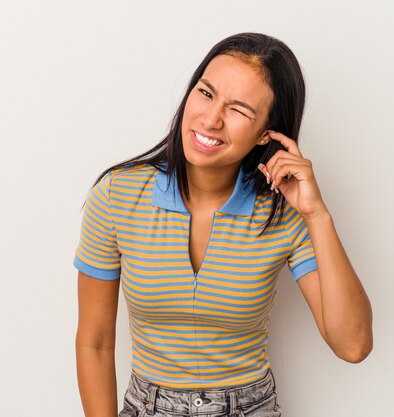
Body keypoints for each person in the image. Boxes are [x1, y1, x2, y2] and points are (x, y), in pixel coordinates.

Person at [73, 32, 373, 417]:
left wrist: (317, 215)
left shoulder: (286, 212)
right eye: (206, 93)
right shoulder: (117, 196)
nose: (211, 119)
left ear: (267, 131)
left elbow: (353, 345)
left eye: (239, 110)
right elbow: (94, 343)